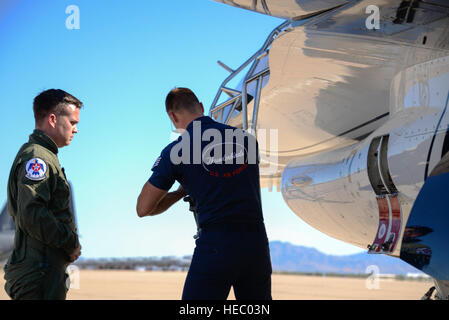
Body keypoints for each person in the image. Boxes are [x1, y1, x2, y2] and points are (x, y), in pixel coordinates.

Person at [137, 87, 272, 300]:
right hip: (257, 244)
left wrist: (181, 192)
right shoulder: (248, 141)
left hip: (217, 244)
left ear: (172, 116)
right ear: (201, 107)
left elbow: (143, 208)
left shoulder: (176, 151)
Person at [3, 89, 83, 300]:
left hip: (43, 272)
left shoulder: (44, 156)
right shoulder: (38, 157)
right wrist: (70, 242)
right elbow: (33, 214)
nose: (76, 130)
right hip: (39, 275)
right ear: (53, 119)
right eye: (73, 123)